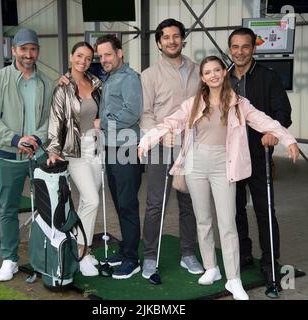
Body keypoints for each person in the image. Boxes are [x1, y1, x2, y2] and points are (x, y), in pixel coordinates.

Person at [138, 56, 299, 300]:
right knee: (202, 219)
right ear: (202, 78)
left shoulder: (238, 103)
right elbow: (170, 123)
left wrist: (288, 139)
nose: (213, 75)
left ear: (224, 73)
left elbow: (263, 120)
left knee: (227, 223)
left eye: (217, 70)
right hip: (196, 164)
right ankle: (211, 268)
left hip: (224, 165)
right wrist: (146, 140)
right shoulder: (193, 103)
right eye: (207, 72)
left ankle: (234, 279)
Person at [0, 28, 54, 282]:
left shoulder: (46, 82)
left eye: (32, 49)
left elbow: (49, 119)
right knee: (8, 209)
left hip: (38, 156)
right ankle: (10, 258)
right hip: (7, 157)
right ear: (13, 51)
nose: (28, 54)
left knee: (48, 208)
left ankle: (48, 254)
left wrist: (36, 138)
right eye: (23, 49)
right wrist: (15, 139)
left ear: (37, 51)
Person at [228, 27, 293, 289]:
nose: (240, 52)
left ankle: (270, 263)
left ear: (253, 48)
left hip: (258, 153)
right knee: (234, 209)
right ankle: (243, 253)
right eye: (235, 47)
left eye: (245, 46)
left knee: (264, 210)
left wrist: (273, 132)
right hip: (230, 155)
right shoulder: (223, 77)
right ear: (229, 49)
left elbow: (283, 112)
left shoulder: (269, 77)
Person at [139, 18, 203, 279]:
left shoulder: (199, 70)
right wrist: (158, 134)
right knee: (156, 204)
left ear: (183, 39)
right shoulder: (149, 75)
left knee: (190, 202)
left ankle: (188, 253)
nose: (172, 41)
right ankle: (150, 258)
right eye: (166, 37)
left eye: (176, 36)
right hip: (161, 147)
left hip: (191, 147)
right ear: (158, 42)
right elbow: (144, 113)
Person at [47, 41, 103, 277]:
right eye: (79, 56)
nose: (83, 61)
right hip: (75, 152)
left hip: (96, 149)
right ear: (71, 57)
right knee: (92, 201)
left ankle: (82, 249)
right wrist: (52, 148)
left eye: (88, 58)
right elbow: (56, 120)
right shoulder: (63, 87)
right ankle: (82, 251)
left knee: (86, 204)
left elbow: (100, 112)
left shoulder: (97, 83)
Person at [95, 34, 144, 279]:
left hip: (125, 148)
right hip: (111, 148)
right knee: (119, 203)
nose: (104, 59)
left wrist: (102, 122)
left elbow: (132, 113)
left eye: (108, 54)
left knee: (127, 204)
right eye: (101, 55)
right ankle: (125, 250)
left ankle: (132, 259)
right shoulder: (109, 78)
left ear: (119, 53)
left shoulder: (129, 78)